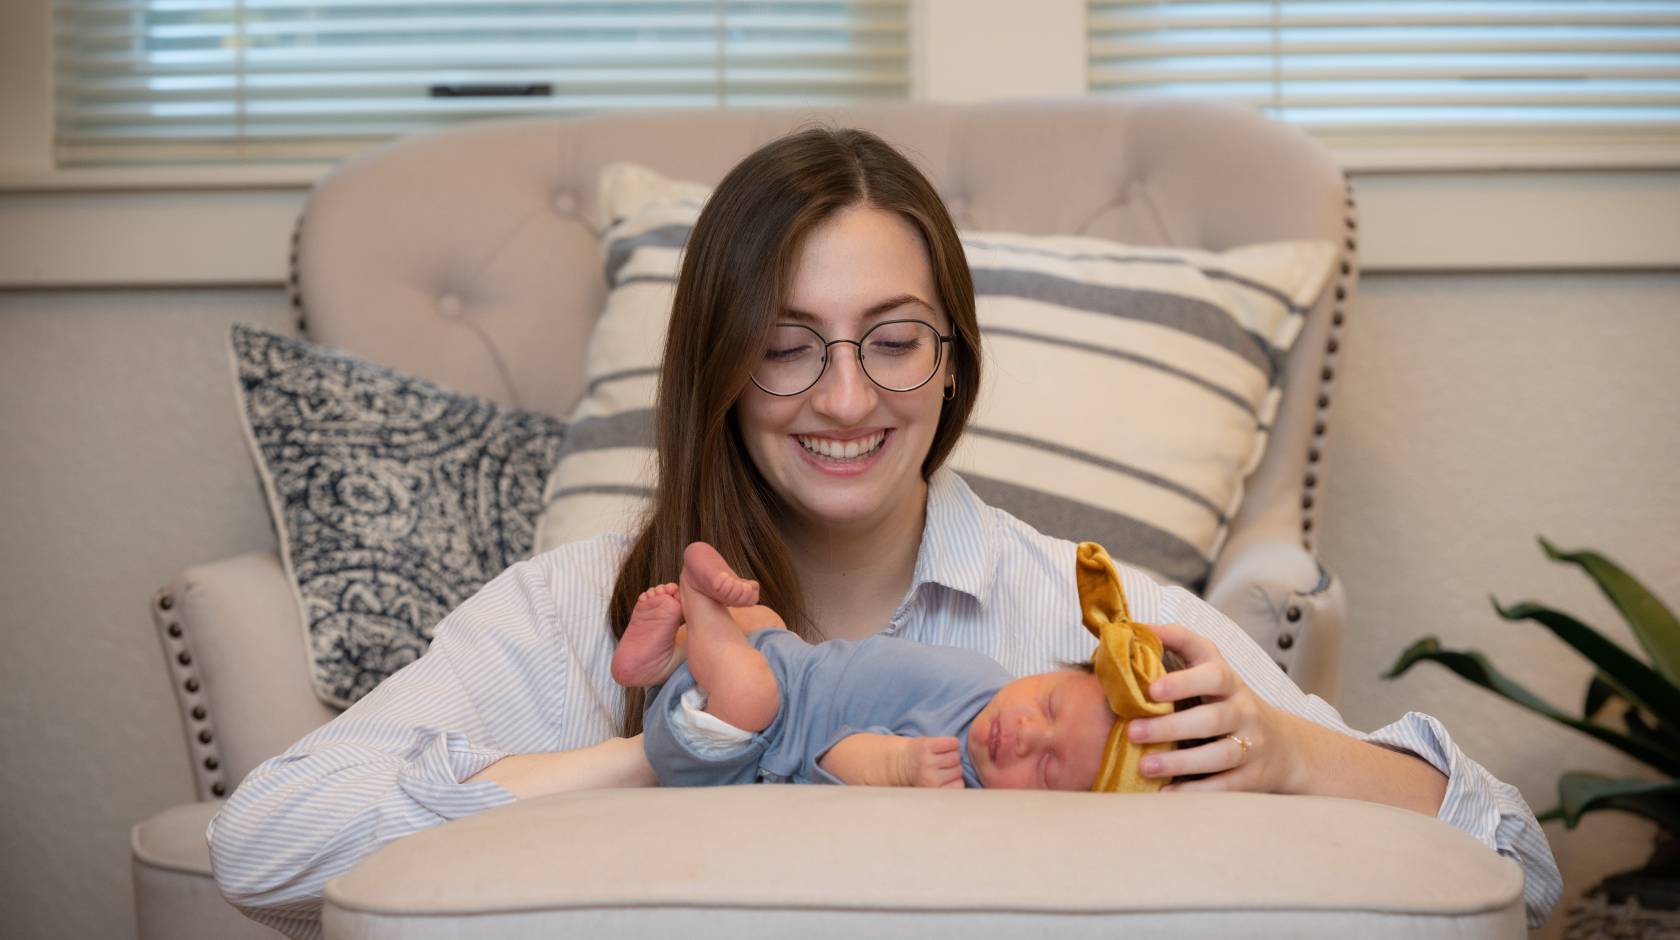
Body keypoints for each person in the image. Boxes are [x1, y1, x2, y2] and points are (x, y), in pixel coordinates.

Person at [208, 126, 1562, 938]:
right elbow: (265, 846)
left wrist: (1283, 754)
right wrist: (686, 755)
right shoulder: (584, 613)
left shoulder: (1080, 632)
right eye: (786, 349)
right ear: (720, 372)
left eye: (894, 342)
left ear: (954, 361)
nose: (847, 399)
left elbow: (1513, 861)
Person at [622, 540, 1189, 791]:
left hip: (745, 746)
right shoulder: (986, 683)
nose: (1025, 734)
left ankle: (700, 604)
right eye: (1049, 704)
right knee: (765, 622)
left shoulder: (943, 771)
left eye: (1046, 768)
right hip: (787, 662)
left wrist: (898, 767)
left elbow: (835, 753)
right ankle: (662, 658)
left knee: (751, 693)